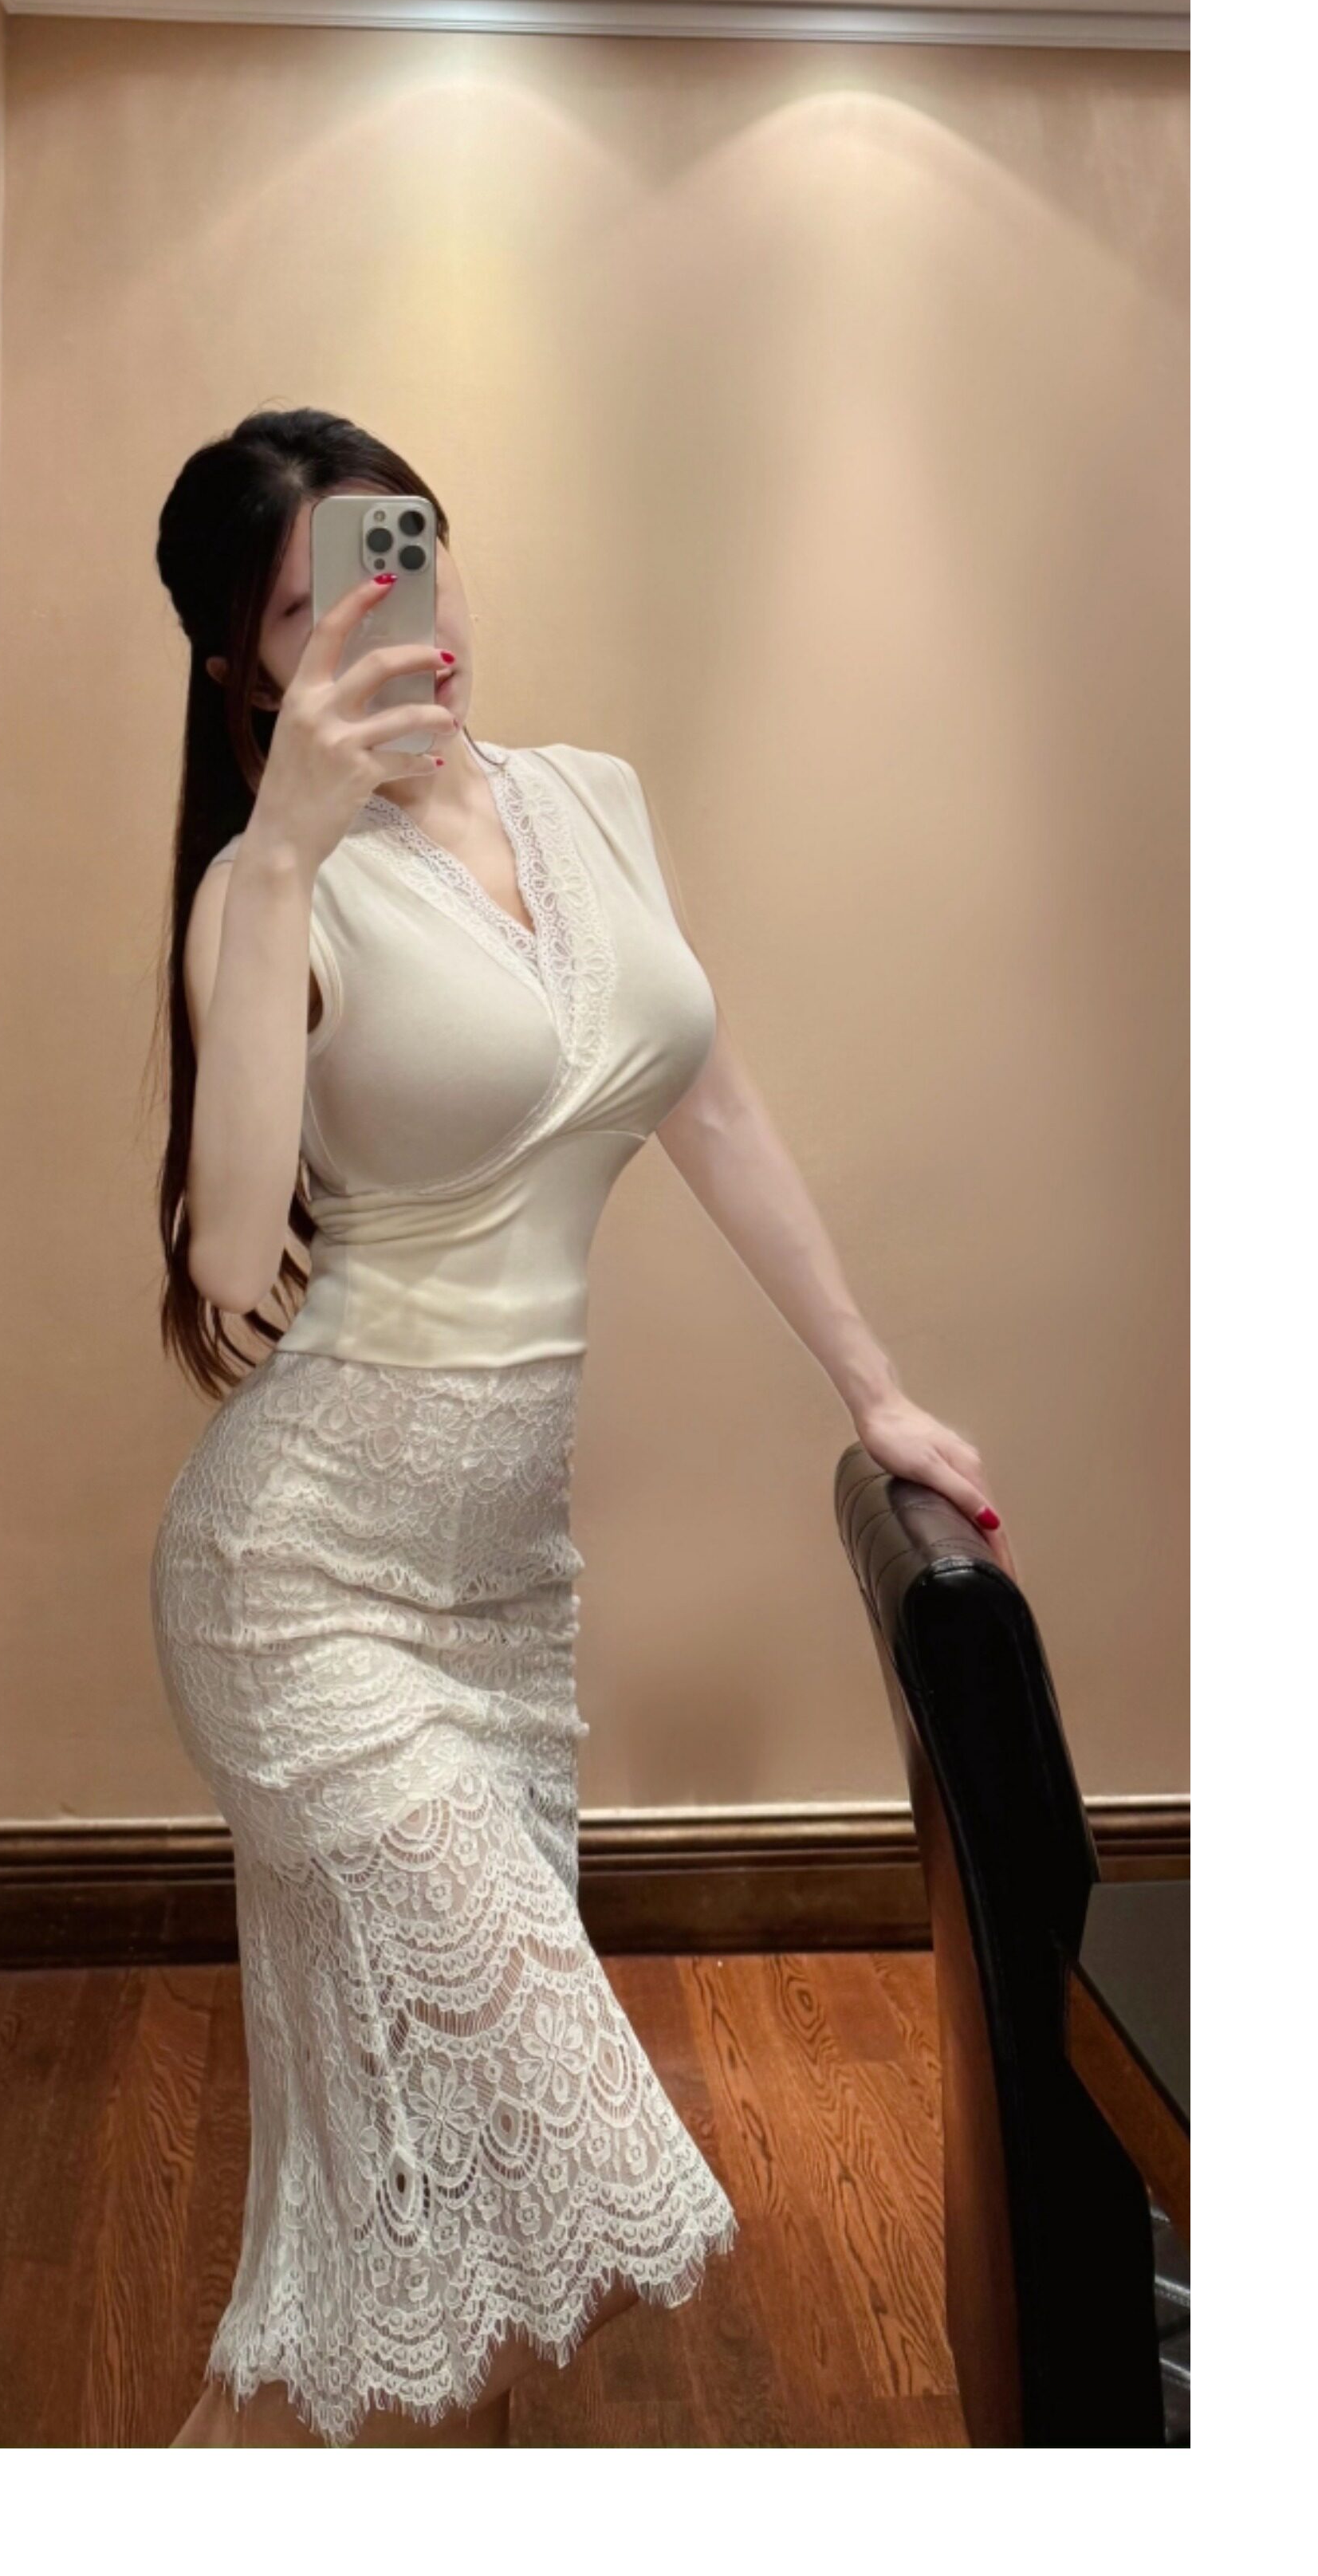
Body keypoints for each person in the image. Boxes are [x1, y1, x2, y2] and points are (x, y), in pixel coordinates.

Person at [148, 408, 1013, 2451]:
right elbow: (231, 1256)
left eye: (403, 551)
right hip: (300, 1589)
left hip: (505, 1604)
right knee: (556, 2154)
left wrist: (874, 1386)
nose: (391, 617)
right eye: (312, 604)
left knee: (403, 2243)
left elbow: (711, 1108)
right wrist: (280, 857)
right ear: (244, 669)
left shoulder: (591, 803)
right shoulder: (265, 895)